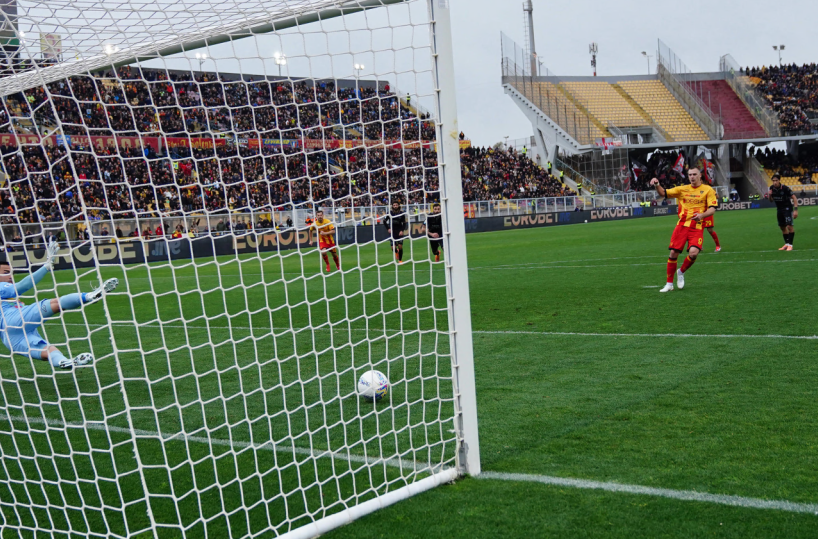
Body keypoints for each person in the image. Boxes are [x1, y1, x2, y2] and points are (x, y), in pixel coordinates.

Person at [0, 241, 119, 369]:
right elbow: (24, 285)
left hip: (10, 338)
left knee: (48, 350)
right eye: (6, 272)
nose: (11, 276)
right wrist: (47, 265)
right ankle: (88, 296)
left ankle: (65, 362)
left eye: (11, 273)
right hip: (13, 321)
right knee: (55, 303)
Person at [649, 167, 718, 293]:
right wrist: (657, 184)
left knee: (693, 253)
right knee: (673, 254)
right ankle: (669, 284)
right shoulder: (682, 189)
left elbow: (713, 208)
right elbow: (663, 193)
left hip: (697, 226)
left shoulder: (708, 190)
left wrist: (701, 216)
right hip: (681, 226)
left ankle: (681, 272)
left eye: (694, 174)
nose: (692, 177)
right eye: (690, 174)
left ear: (700, 176)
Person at [767, 174, 798, 250]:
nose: (775, 182)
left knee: (789, 226)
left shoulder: (785, 188)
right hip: (779, 209)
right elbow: (771, 201)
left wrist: (796, 210)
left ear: (779, 180)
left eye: (776, 180)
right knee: (782, 227)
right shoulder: (771, 188)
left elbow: (794, 197)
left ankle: (790, 245)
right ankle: (786, 244)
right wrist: (770, 195)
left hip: (787, 208)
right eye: (773, 181)